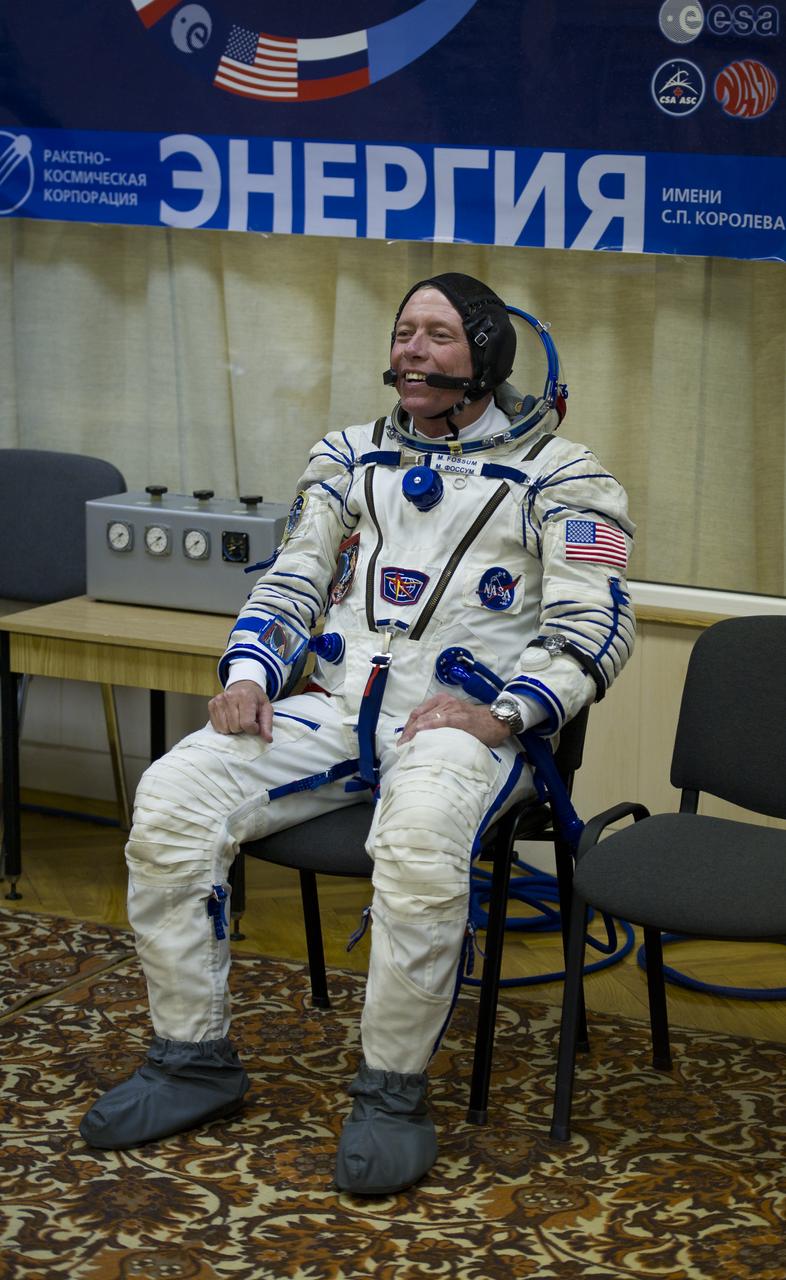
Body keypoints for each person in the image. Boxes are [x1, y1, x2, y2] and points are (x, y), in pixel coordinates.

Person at [80, 273, 635, 1195]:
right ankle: (191, 1060)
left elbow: (594, 628)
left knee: (418, 847)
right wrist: (250, 675)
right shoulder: (346, 456)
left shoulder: (565, 476)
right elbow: (292, 577)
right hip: (339, 710)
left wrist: (503, 712)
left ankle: (390, 1093)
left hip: (463, 726)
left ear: (488, 357)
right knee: (173, 797)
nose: (412, 350)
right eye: (403, 332)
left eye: (439, 336)